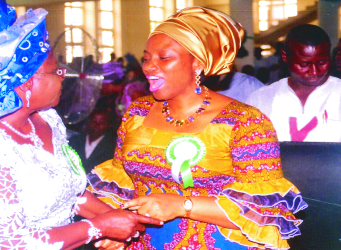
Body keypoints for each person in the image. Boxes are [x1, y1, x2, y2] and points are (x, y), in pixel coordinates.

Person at [0, 0, 162, 249]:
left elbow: (70, 194)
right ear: (25, 82)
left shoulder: (46, 119)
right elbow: (7, 243)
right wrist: (99, 227)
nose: (63, 78)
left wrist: (122, 220)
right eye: (56, 71)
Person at [87, 7, 307, 250]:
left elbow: (265, 209)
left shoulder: (245, 122)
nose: (149, 67)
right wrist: (117, 227)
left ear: (198, 63)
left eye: (164, 57)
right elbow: (120, 183)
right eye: (147, 58)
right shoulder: (137, 113)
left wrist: (182, 205)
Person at [246, 24, 341, 142]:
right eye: (304, 64)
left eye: (322, 62)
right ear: (285, 56)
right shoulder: (261, 98)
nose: (314, 71)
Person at [69, 109, 117, 174]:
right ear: (88, 121)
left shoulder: (111, 148)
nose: (96, 125)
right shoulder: (74, 141)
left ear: (109, 125)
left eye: (102, 123)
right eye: (94, 121)